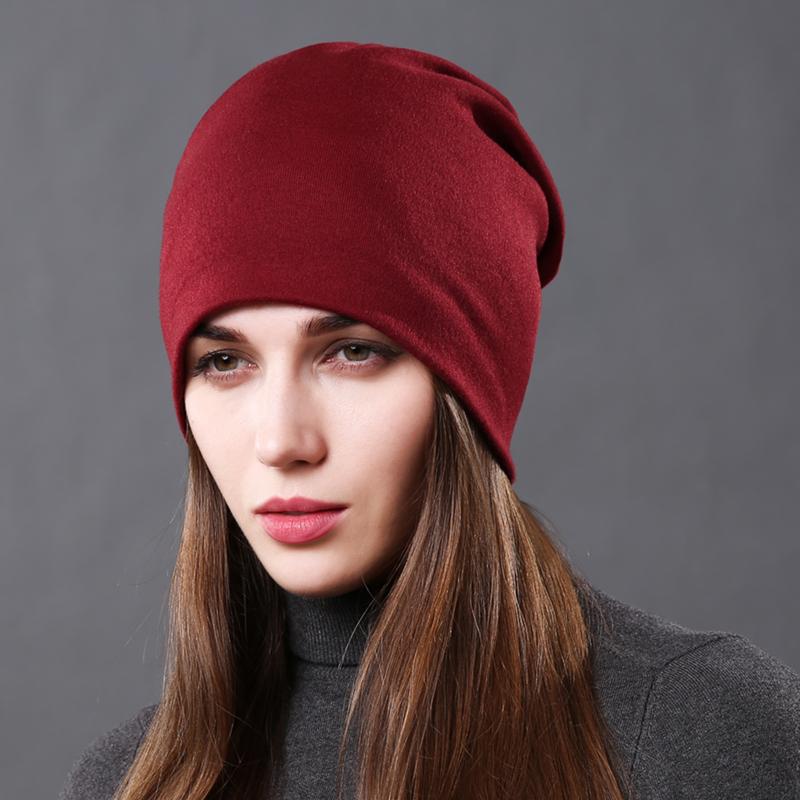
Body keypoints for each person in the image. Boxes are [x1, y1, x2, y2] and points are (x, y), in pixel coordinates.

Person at [58, 41, 800, 800]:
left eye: (352, 352)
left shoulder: (698, 734)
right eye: (224, 361)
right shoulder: (126, 781)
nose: (280, 441)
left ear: (469, 387)